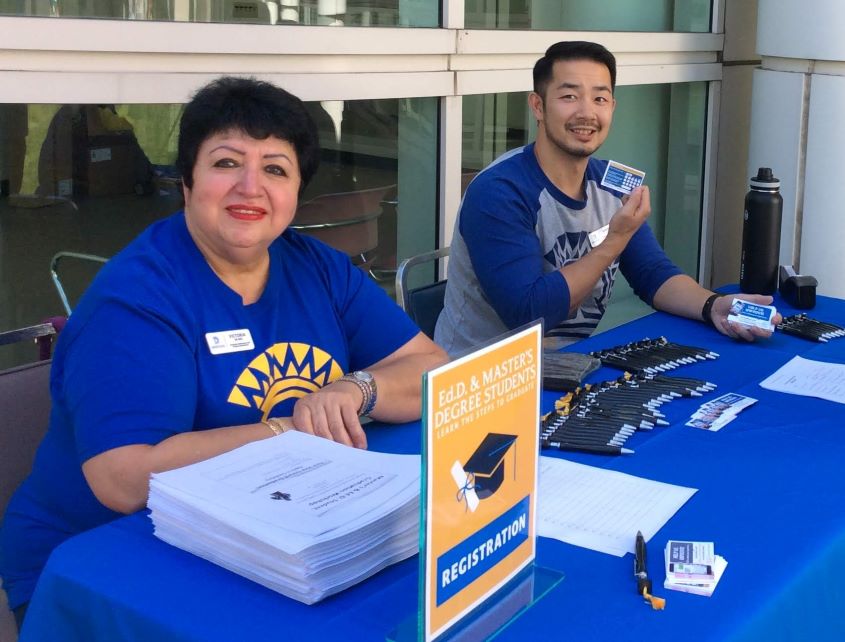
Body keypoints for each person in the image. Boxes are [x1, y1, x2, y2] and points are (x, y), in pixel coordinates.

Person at [0, 76, 447, 630]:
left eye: (276, 169)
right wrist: (294, 432)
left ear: (296, 191)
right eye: (227, 163)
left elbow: (433, 368)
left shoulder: (317, 267)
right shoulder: (139, 298)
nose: (250, 188)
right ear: (186, 181)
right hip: (101, 563)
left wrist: (358, 389)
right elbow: (123, 478)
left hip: (270, 528)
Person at [435, 41, 781, 356]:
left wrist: (713, 306)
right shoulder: (499, 190)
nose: (587, 112)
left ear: (612, 107)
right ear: (538, 106)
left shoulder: (611, 182)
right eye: (569, 96)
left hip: (569, 366)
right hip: (480, 382)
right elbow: (528, 312)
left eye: (600, 98)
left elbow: (653, 273)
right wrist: (614, 240)